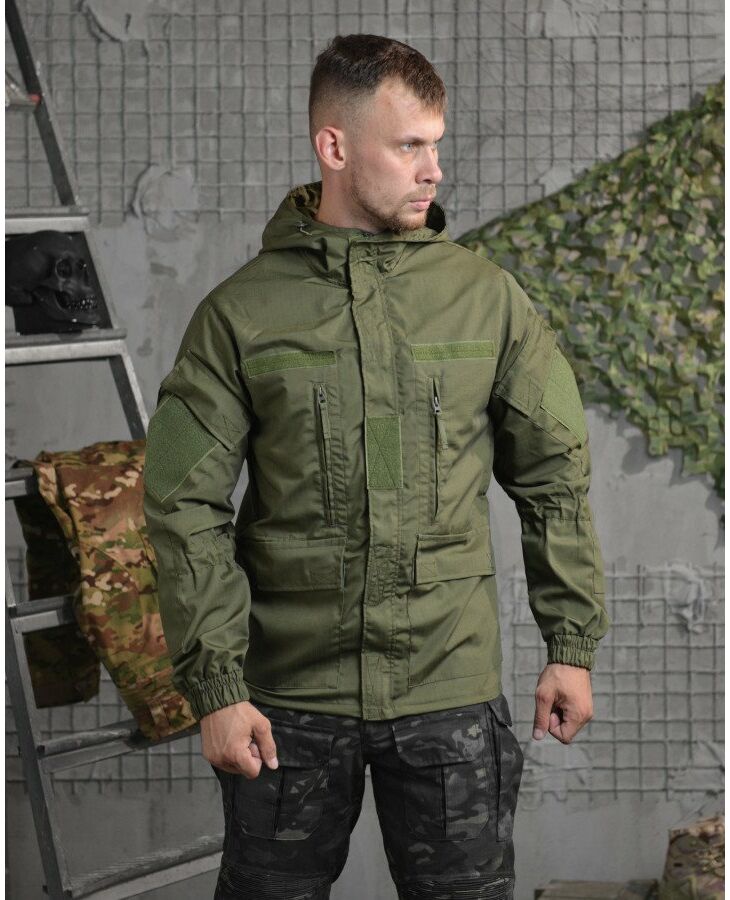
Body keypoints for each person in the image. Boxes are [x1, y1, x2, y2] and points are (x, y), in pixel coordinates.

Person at [142, 33, 611, 900]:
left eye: (436, 144)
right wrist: (216, 686)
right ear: (335, 146)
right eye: (409, 146)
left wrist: (570, 644)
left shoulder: (488, 299)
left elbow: (555, 474)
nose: (435, 170)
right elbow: (181, 503)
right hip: (285, 699)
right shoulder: (240, 313)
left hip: (448, 686)